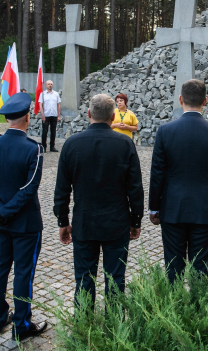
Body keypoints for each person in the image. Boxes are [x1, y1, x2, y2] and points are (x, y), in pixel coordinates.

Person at [54, 94, 144, 307]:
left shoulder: (72, 144)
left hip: (84, 221)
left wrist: (63, 221)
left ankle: (84, 328)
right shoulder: (125, 144)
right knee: (115, 279)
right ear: (113, 117)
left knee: (84, 279)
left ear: (88, 114)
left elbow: (62, 189)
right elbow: (135, 187)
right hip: (117, 220)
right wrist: (136, 220)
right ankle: (115, 326)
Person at [0, 92, 47, 340]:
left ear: (8, 119)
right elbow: (29, 188)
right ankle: (21, 325)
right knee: (23, 273)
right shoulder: (33, 149)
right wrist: (5, 212)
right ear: (27, 118)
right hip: (25, 223)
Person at [149, 79, 208, 284]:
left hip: (173, 206)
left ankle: (173, 309)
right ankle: (198, 309)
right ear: (205, 101)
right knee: (201, 266)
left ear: (180, 100)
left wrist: (153, 207)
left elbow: (157, 172)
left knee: (173, 266)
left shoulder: (165, 131)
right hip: (205, 207)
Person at [38, 80, 62, 152]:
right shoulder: (42, 94)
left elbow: (58, 105)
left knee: (53, 131)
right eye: (48, 84)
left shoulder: (56, 94)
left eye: (51, 84)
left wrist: (59, 115)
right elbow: (40, 105)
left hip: (54, 115)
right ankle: (44, 147)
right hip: (46, 115)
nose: (50, 85)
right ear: (46, 85)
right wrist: (42, 115)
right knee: (45, 131)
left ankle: (52, 146)